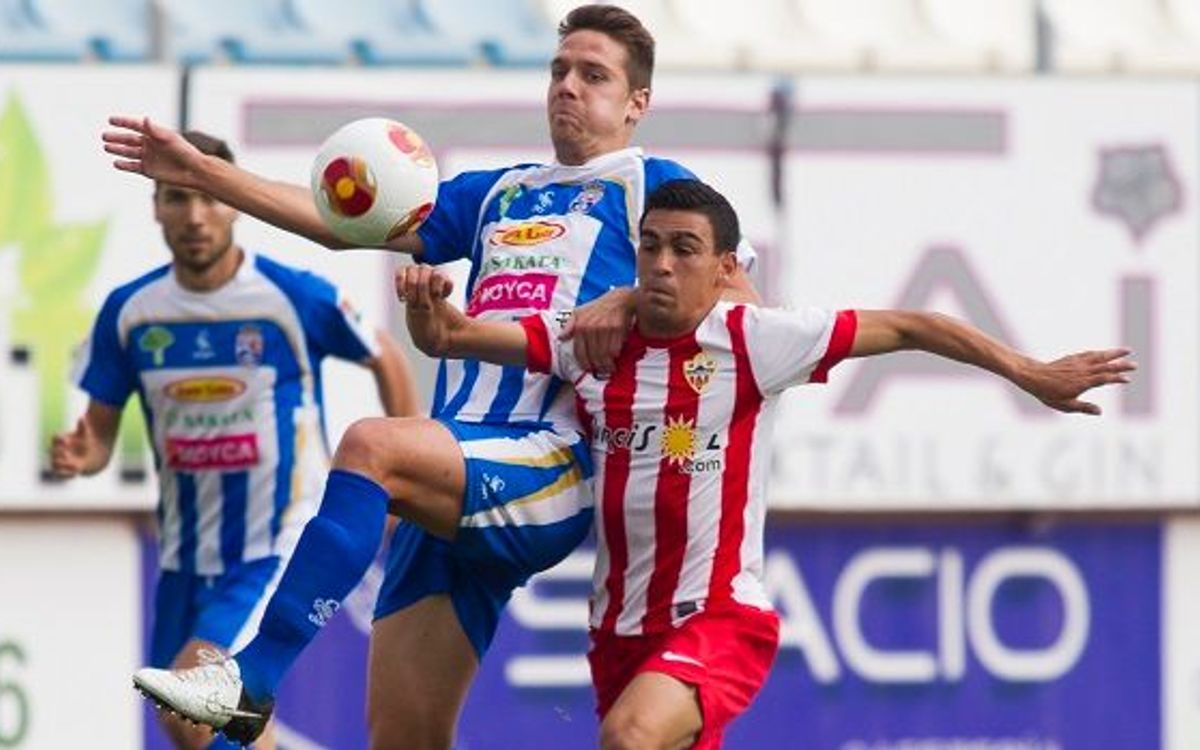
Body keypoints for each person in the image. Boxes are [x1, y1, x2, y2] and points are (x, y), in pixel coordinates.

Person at [114, 6, 760, 748]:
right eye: (559, 71)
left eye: (594, 75)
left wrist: (628, 297)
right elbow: (340, 224)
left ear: (637, 102)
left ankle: (249, 678)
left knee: (372, 444)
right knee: (403, 740)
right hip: (453, 471)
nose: (568, 87)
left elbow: (741, 300)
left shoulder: (653, 185)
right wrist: (202, 172)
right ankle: (249, 685)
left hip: (549, 460)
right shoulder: (498, 191)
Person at [397, 178, 1135, 749]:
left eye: (684, 249)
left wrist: (1027, 372)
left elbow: (912, 325)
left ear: (725, 269)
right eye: (650, 246)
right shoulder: (590, 341)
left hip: (720, 617)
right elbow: (453, 338)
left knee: (628, 736)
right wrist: (427, 309)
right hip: (617, 630)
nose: (661, 264)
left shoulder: (756, 340)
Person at [50, 131, 419, 750]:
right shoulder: (131, 311)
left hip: (273, 542)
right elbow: (98, 440)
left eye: (208, 196)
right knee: (197, 720)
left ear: (234, 205)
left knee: (196, 707)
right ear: (156, 208)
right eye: (176, 198)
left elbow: (383, 353)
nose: (195, 216)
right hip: (185, 556)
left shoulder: (288, 296)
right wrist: (79, 454)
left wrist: (401, 481)